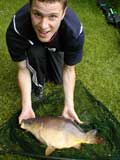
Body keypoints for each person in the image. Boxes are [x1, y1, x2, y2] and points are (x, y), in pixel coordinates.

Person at [6, 0, 84, 124]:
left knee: (59, 79)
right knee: (36, 53)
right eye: (37, 14)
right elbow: (23, 69)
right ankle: (38, 87)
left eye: (53, 16)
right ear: (29, 9)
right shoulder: (17, 29)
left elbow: (69, 69)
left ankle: (49, 53)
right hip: (33, 46)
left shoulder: (74, 33)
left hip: (57, 47)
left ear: (64, 13)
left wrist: (69, 105)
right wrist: (26, 106)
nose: (43, 25)